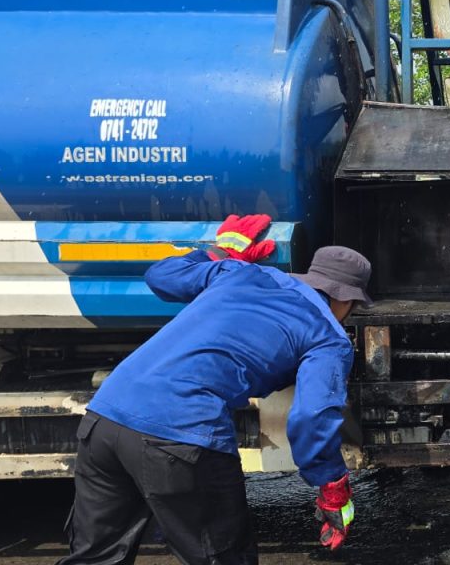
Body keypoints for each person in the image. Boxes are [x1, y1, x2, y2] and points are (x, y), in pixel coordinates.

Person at [58, 214, 371, 565]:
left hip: (105, 417)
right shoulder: (327, 335)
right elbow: (312, 416)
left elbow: (160, 277)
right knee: (221, 558)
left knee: (94, 557)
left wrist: (222, 251)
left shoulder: (241, 271)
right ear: (347, 300)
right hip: (180, 435)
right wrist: (332, 487)